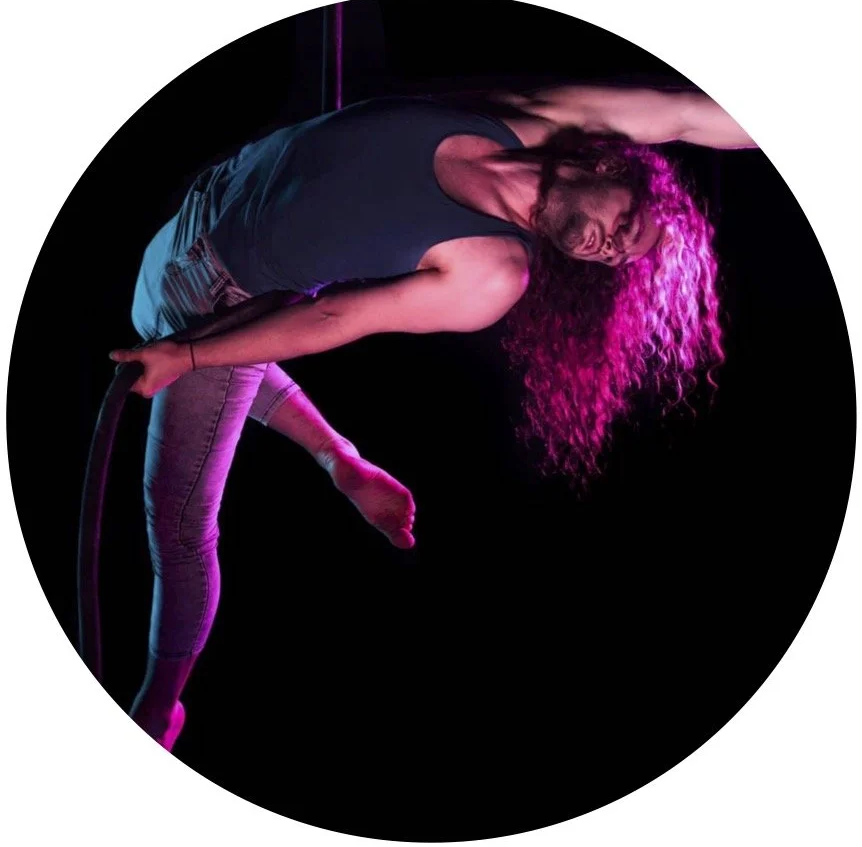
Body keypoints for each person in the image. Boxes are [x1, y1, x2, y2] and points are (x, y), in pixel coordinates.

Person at [110, 83, 756, 750]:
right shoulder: (527, 119)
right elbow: (686, 114)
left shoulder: (491, 275)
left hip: (216, 300)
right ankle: (338, 458)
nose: (610, 247)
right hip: (201, 210)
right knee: (190, 362)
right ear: (611, 165)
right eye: (626, 224)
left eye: (618, 256)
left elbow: (335, 317)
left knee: (180, 527)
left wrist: (189, 355)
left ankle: (158, 708)